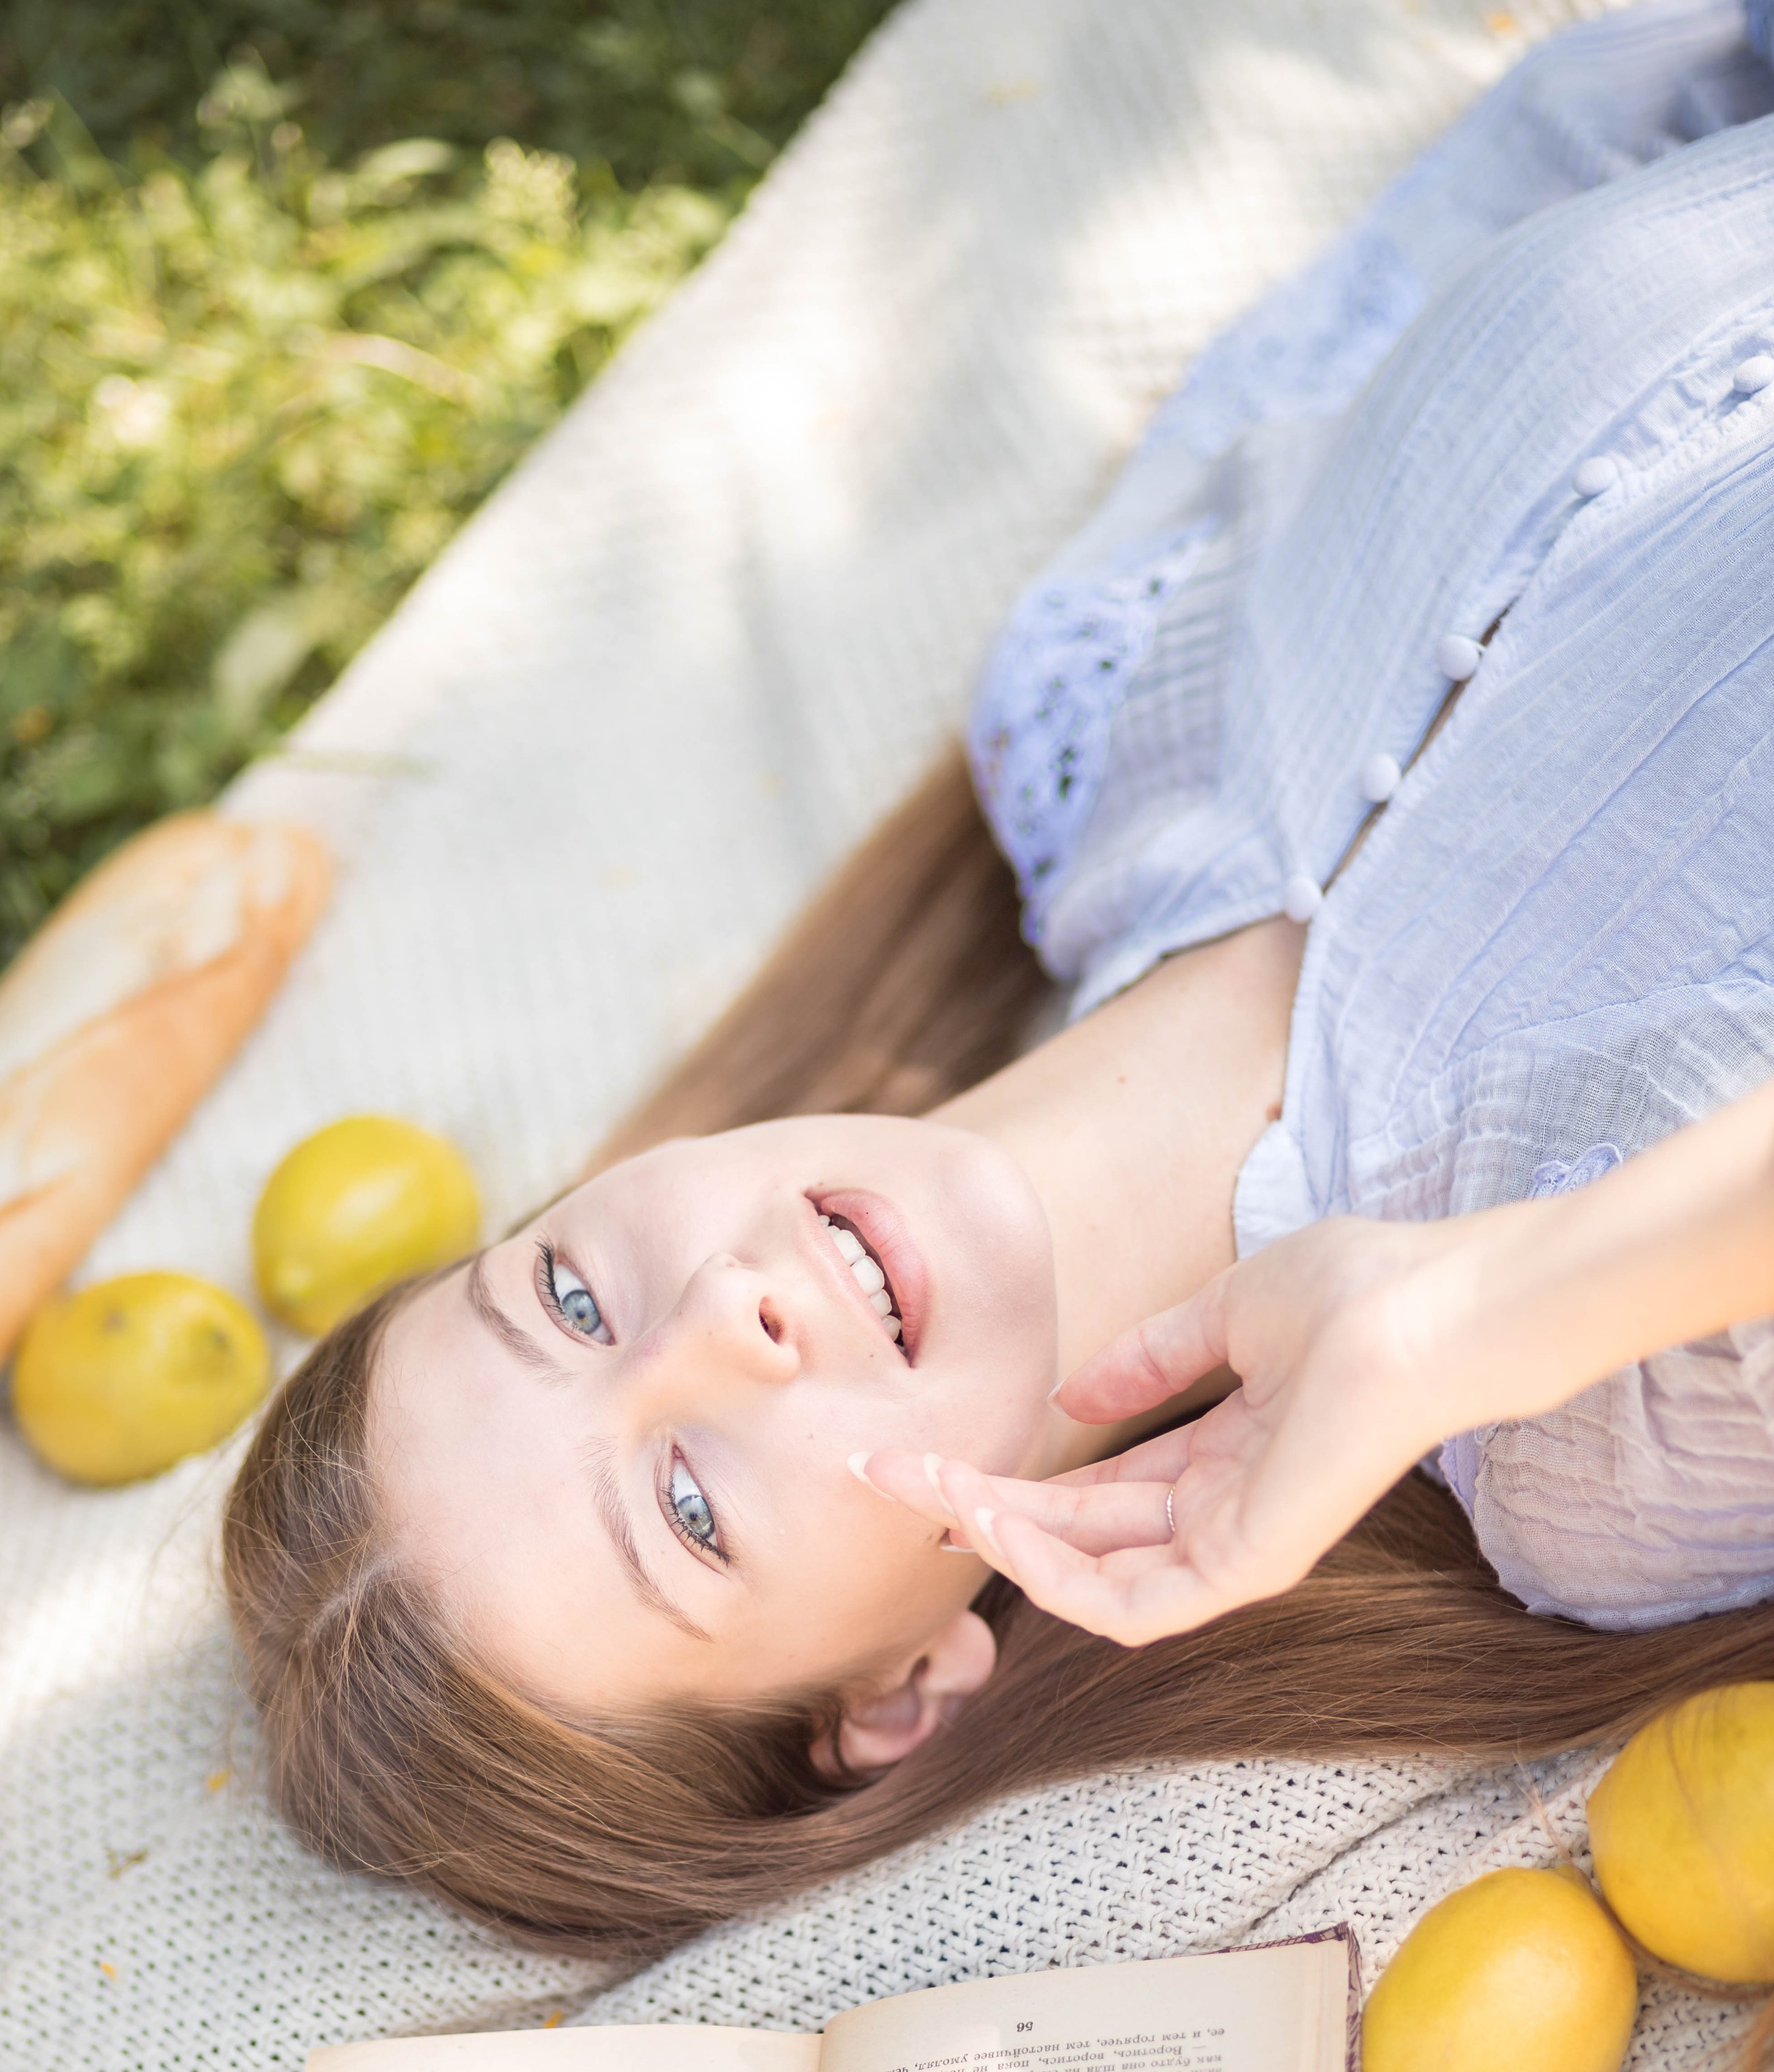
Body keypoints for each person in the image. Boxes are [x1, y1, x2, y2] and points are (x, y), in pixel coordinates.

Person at [225, 0, 1774, 1951]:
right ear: (901, 1692)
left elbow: (1584, 152)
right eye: (690, 1507)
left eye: (570, 1293)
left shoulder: (1088, 697)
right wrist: (1490, 1317)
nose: (724, 1315)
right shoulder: (1598, 1426)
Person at [873, 1070, 1774, 1645]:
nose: (726, 1304)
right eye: (718, 1523)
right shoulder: (1601, 1449)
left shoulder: (1064, 789)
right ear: (905, 1690)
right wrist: (1450, 1321)